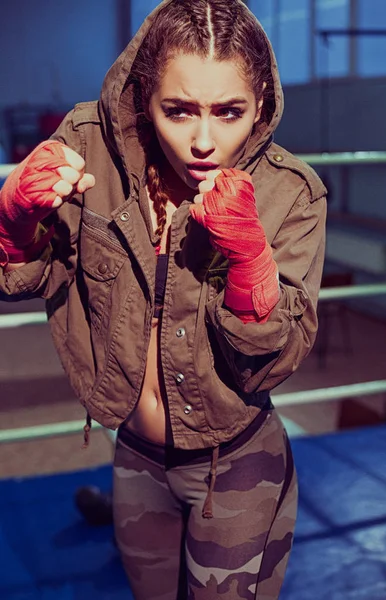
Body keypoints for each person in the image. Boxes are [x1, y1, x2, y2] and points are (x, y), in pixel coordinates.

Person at [0, 0, 327, 597]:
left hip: (234, 461)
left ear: (261, 105)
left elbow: (278, 358)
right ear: (145, 97)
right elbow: (23, 278)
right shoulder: (89, 149)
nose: (204, 140)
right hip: (134, 456)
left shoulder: (290, 192)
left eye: (230, 113)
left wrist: (250, 264)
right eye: (177, 111)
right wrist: (13, 224)